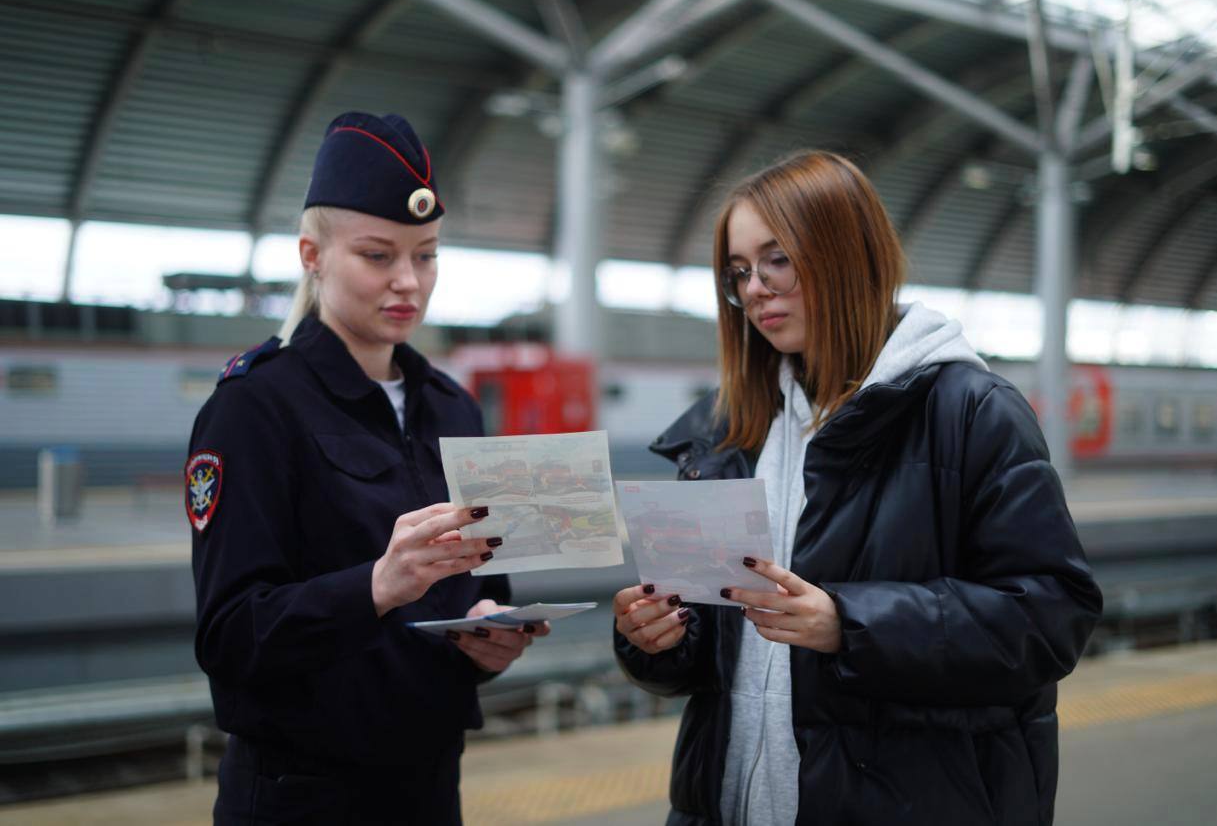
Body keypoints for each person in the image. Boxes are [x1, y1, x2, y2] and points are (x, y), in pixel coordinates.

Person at [612, 150, 1103, 826]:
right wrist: (661, 637)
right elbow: (714, 648)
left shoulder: (971, 411)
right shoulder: (728, 430)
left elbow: (1051, 617)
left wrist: (851, 624)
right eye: (739, 273)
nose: (755, 287)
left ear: (847, 252)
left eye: (777, 259)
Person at [187, 111, 547, 825]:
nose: (408, 281)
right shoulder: (255, 409)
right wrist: (377, 585)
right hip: (301, 795)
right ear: (312, 255)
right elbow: (230, 636)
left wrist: (490, 636)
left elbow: (486, 583)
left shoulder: (453, 410)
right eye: (378, 255)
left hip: (430, 785)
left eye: (427, 254)